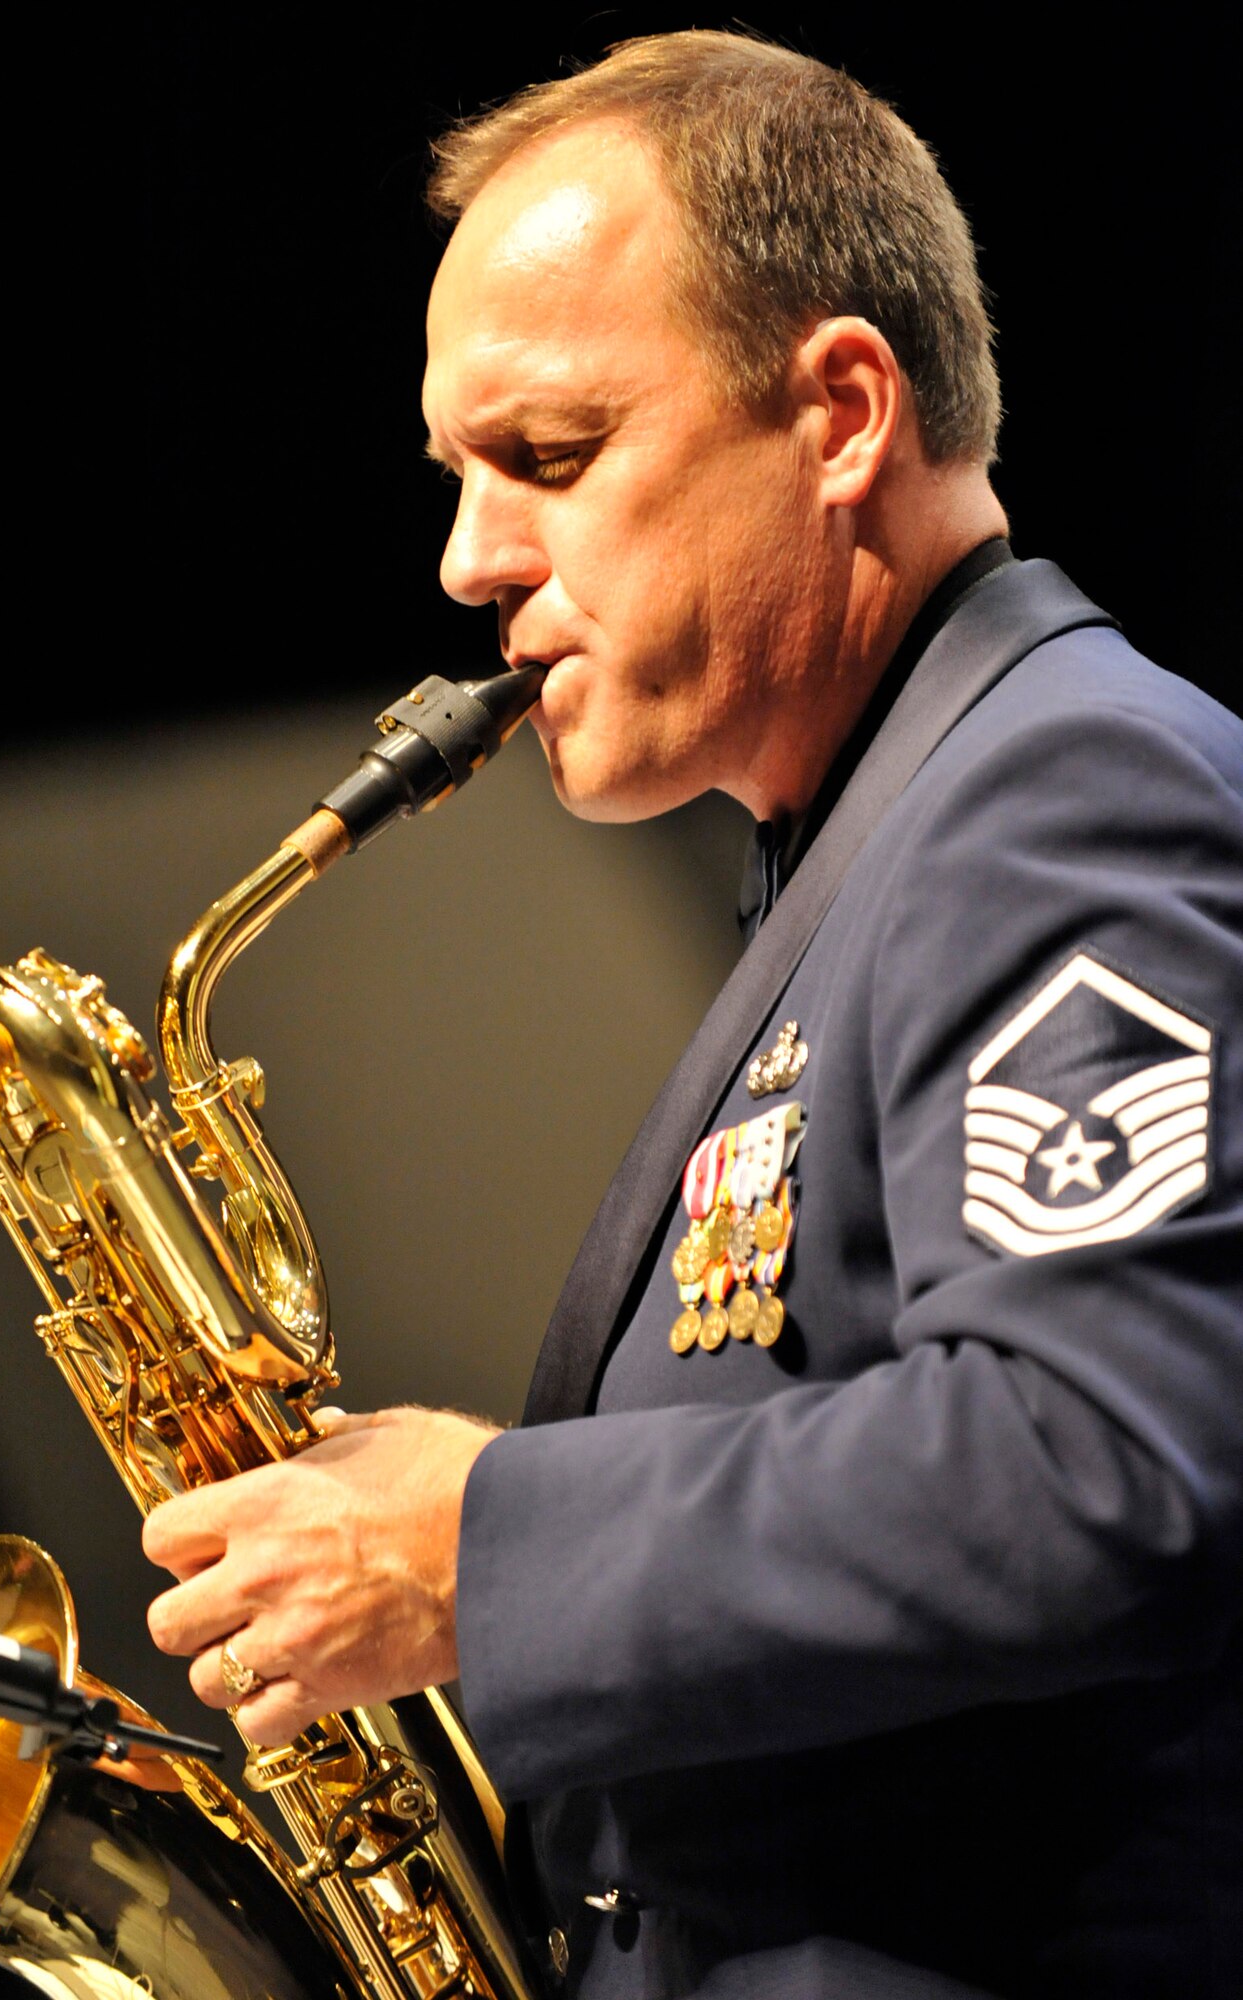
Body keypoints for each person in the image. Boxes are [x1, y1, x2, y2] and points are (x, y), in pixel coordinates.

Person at [142, 32, 1243, 1998]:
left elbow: (1114, 1451)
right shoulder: (879, 831)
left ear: (837, 411)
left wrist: (485, 1547)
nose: (471, 558)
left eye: (548, 459)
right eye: (459, 475)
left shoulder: (1066, 791)